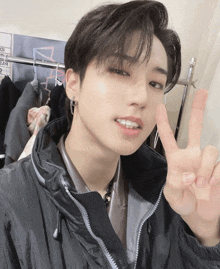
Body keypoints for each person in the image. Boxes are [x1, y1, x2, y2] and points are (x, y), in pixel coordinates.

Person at [0, 0, 220, 268]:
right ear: (73, 84)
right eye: (119, 70)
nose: (141, 97)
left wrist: (205, 235)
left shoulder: (172, 194)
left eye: (155, 83)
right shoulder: (9, 200)